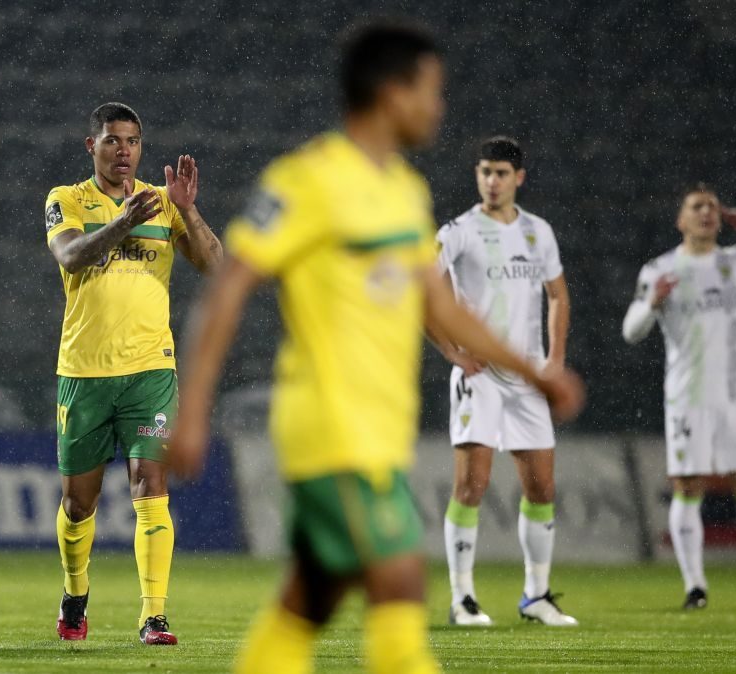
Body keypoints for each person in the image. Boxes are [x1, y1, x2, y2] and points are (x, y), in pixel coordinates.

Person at [170, 23, 584, 674]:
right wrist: (192, 411)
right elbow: (226, 288)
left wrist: (533, 369)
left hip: (377, 435)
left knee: (308, 603)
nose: (437, 107)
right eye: (429, 90)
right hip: (331, 431)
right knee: (399, 589)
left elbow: (440, 305)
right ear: (391, 93)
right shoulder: (307, 179)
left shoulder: (404, 192)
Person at [44, 102, 222, 645]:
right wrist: (123, 223)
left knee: (152, 486)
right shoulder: (66, 200)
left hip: (151, 369)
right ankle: (76, 593)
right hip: (85, 371)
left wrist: (188, 210)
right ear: (90, 146)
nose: (124, 150)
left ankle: (154, 615)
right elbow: (72, 257)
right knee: (80, 504)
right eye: (112, 140)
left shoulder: (164, 204)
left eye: (133, 141)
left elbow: (217, 265)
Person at [426, 136, 577, 627]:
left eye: (501, 174)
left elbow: (557, 295)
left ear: (519, 178)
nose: (492, 182)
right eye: (485, 172)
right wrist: (450, 349)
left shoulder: (539, 233)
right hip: (481, 376)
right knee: (472, 485)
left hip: (527, 378)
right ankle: (462, 598)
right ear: (477, 176)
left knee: (542, 488)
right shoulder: (459, 231)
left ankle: (536, 596)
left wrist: (553, 361)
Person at [623, 183, 736, 610]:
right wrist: (653, 303)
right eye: (697, 207)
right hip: (688, 395)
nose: (707, 213)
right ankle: (695, 587)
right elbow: (630, 331)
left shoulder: (735, 262)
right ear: (681, 220)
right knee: (688, 487)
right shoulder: (660, 270)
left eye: (713, 207)